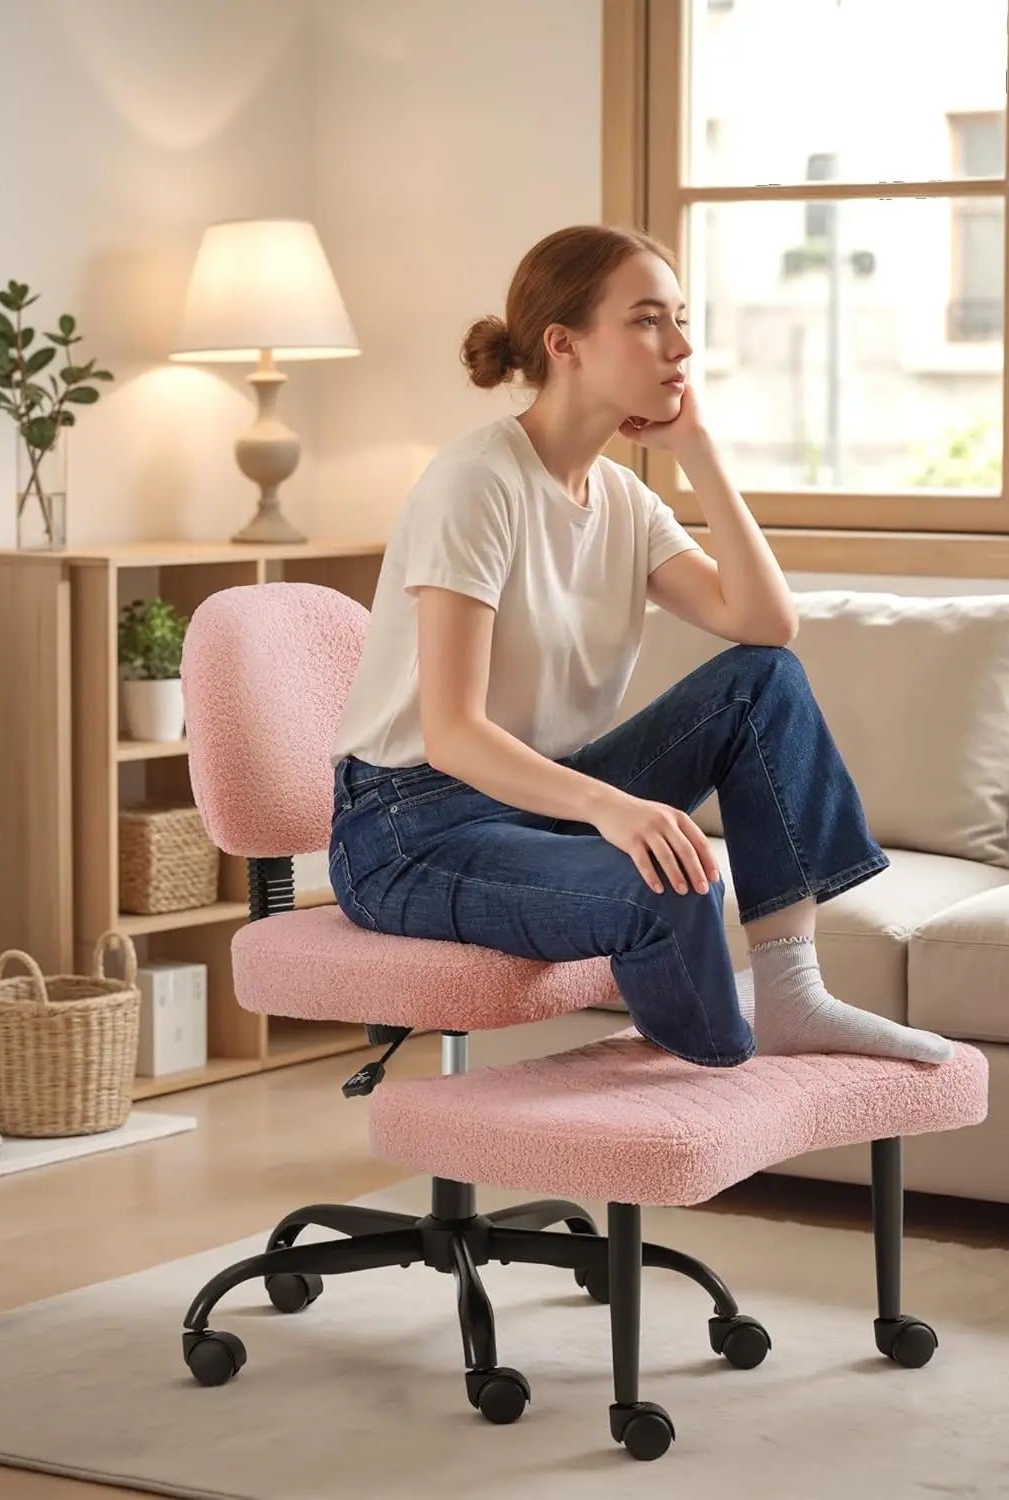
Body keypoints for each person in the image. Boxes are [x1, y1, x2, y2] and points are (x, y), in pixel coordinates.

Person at [328, 223, 953, 1070]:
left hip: (538, 797)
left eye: (680, 320)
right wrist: (614, 811)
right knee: (672, 880)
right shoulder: (476, 484)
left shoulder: (622, 499)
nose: (681, 346)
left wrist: (698, 450)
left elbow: (767, 624)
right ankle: (720, 1072)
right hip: (411, 830)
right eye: (648, 321)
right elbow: (453, 733)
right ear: (565, 345)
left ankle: (792, 996)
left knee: (762, 684)